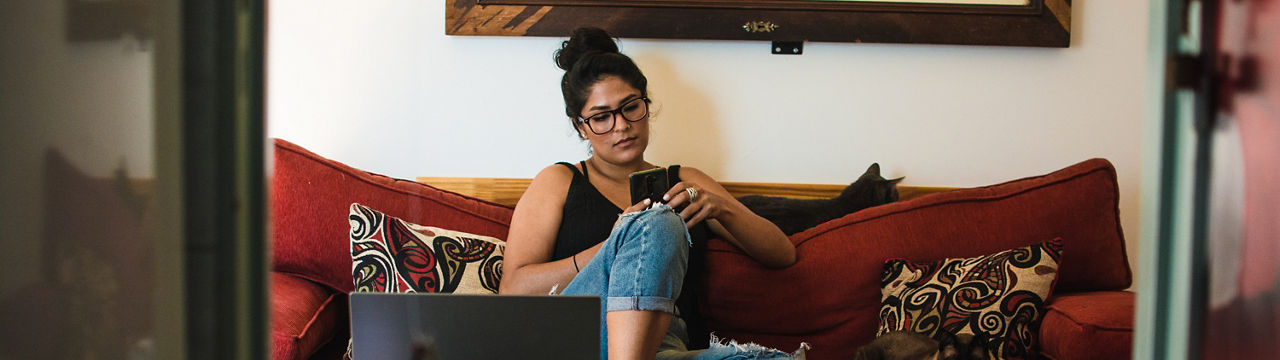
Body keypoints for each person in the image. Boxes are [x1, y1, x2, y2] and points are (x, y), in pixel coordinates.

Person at [498, 27, 806, 360]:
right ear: (580, 126)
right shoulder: (559, 180)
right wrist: (617, 244)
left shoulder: (685, 181)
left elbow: (782, 254)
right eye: (601, 117)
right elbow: (514, 289)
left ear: (646, 104)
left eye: (631, 107)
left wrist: (721, 208)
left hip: (668, 345)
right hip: (584, 339)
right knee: (658, 222)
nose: (621, 125)